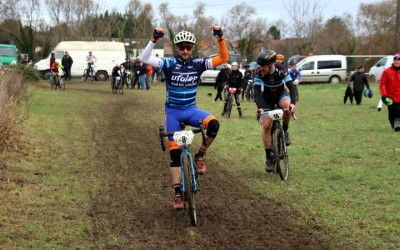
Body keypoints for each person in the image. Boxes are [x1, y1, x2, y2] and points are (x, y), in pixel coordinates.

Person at [140, 26, 228, 210]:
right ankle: (178, 192)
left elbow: (223, 58)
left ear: (193, 48)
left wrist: (219, 37)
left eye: (189, 47)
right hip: (173, 113)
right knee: (175, 153)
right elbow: (144, 58)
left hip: (191, 110)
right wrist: (154, 38)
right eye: (182, 47)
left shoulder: (198, 63)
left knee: (213, 124)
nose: (185, 50)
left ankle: (200, 155)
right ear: (177, 48)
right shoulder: (169, 63)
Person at [254, 50, 296, 172]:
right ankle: (269, 157)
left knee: (286, 106)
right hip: (266, 98)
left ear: (270, 65)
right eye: (259, 66)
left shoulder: (281, 69)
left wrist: (293, 104)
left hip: (280, 94)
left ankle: (285, 131)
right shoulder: (259, 73)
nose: (260, 68)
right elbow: (257, 92)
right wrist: (260, 107)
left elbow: (291, 87)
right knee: (266, 125)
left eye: (263, 66)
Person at [379, 53, 400, 131]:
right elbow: (382, 84)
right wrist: (384, 95)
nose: (397, 61)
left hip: (399, 98)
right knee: (391, 115)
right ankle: (393, 126)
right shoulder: (387, 71)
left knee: (398, 111)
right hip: (389, 98)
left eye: (398, 60)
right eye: (395, 60)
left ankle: (397, 124)